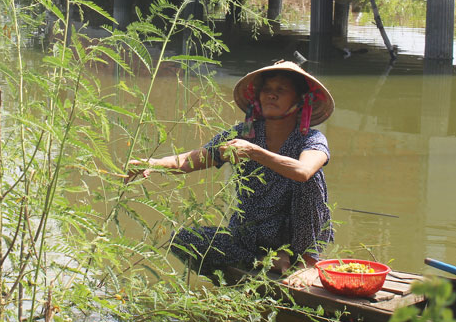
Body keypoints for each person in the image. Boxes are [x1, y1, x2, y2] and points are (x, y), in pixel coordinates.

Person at [128, 60, 334, 279]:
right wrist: (152, 164)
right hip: (250, 236)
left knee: (311, 178)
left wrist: (255, 152)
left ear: (300, 100)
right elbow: (193, 159)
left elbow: (303, 171)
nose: (271, 95)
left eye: (281, 91)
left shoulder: (311, 139)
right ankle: (260, 261)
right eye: (267, 90)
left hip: (294, 236)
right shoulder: (243, 135)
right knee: (183, 239)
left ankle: (306, 261)